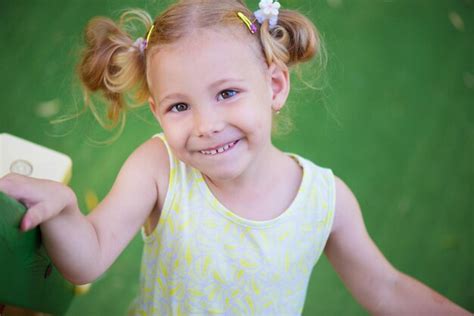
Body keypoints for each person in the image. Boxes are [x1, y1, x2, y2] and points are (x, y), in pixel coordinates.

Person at [0, 0, 470, 314]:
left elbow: (385, 287)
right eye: (180, 106)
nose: (206, 125)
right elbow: (88, 256)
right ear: (157, 111)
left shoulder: (326, 200)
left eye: (227, 92)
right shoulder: (160, 168)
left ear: (274, 85)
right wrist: (64, 210)